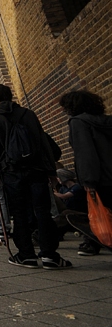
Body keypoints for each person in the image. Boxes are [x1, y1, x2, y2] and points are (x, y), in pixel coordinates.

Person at [0, 84, 71, 269]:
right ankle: (50, 255)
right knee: (43, 212)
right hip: (36, 170)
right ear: (10, 95)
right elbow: (41, 142)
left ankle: (26, 255)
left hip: (11, 171)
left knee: (19, 213)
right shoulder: (27, 114)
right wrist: (51, 171)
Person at [58, 89, 112, 257]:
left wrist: (88, 181)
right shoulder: (107, 122)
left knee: (102, 214)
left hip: (100, 179)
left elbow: (85, 153)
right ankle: (92, 243)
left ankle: (94, 243)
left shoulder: (78, 123)